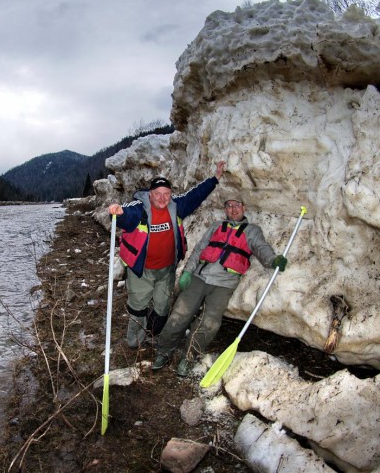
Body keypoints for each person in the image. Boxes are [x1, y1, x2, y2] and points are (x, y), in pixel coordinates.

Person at [152, 197, 288, 376]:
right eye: (229, 206)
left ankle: (189, 357)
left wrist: (273, 260)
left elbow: (262, 248)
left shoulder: (253, 231)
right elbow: (199, 249)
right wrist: (187, 271)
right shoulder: (216, 226)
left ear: (244, 207)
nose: (233, 209)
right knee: (179, 314)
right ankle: (164, 351)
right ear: (225, 210)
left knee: (209, 322)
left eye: (237, 205)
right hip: (199, 277)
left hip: (224, 284)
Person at [108, 161, 226, 348]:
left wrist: (215, 178)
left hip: (166, 269)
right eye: (158, 194)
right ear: (150, 194)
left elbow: (195, 195)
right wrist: (118, 212)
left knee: (162, 307)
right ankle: (134, 342)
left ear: (171, 195)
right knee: (138, 307)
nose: (162, 198)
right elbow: (126, 216)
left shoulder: (176, 207)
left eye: (166, 194)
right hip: (142, 270)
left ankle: (152, 335)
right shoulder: (139, 209)